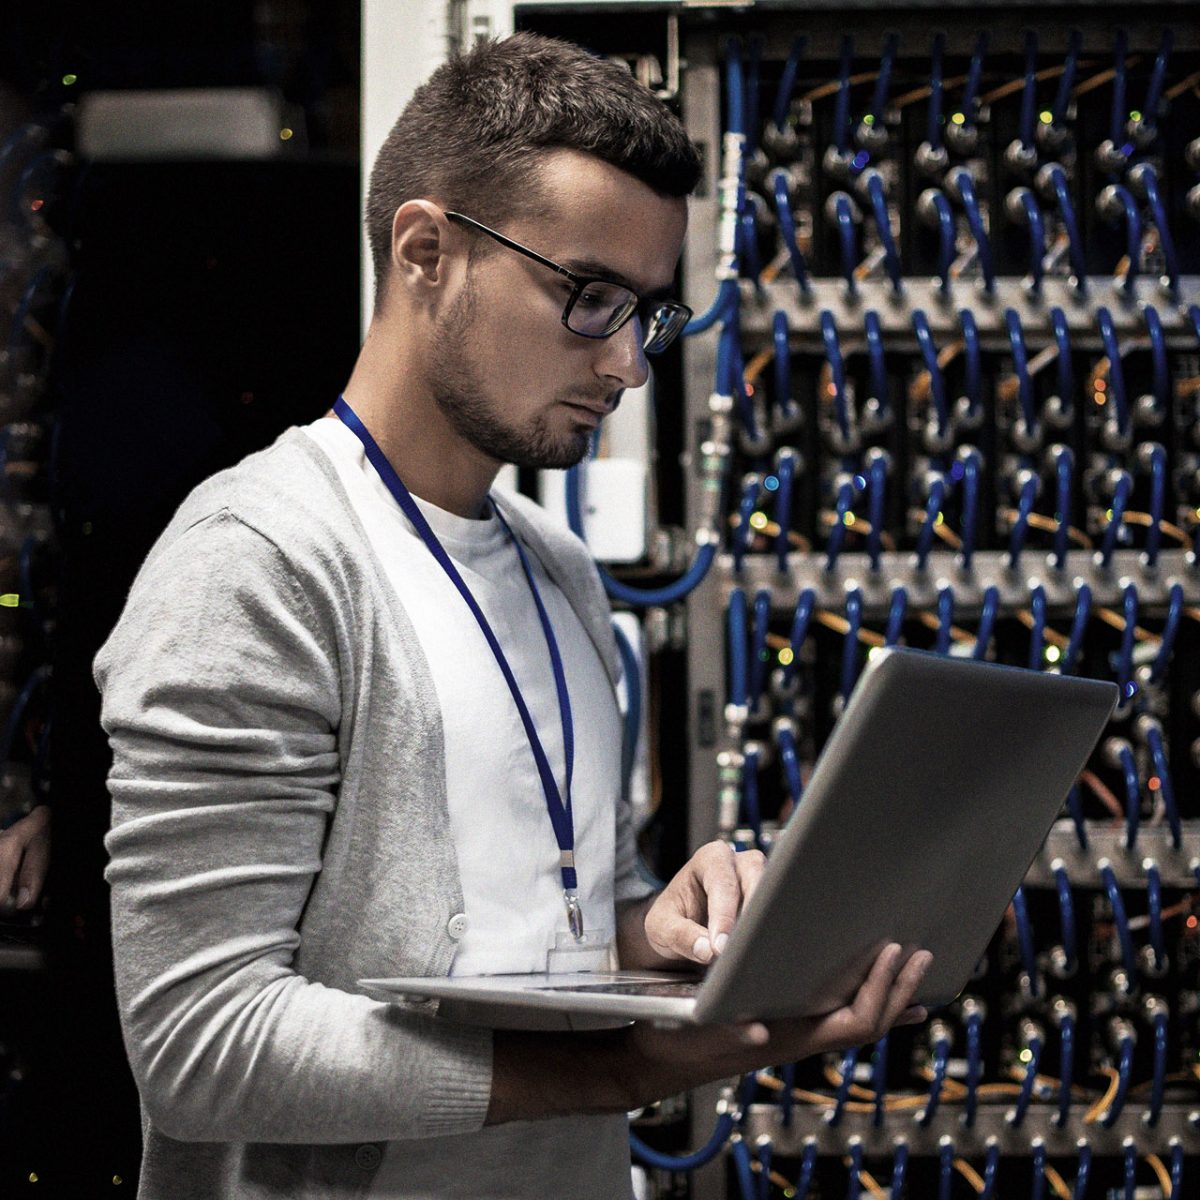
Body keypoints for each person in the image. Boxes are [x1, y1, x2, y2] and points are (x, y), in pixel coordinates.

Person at [95, 32, 932, 1200]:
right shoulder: (260, 563)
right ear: (427, 250)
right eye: (590, 298)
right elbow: (202, 1045)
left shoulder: (559, 569)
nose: (630, 364)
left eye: (647, 312)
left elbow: (555, 922)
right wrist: (622, 1071)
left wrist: (660, 932)